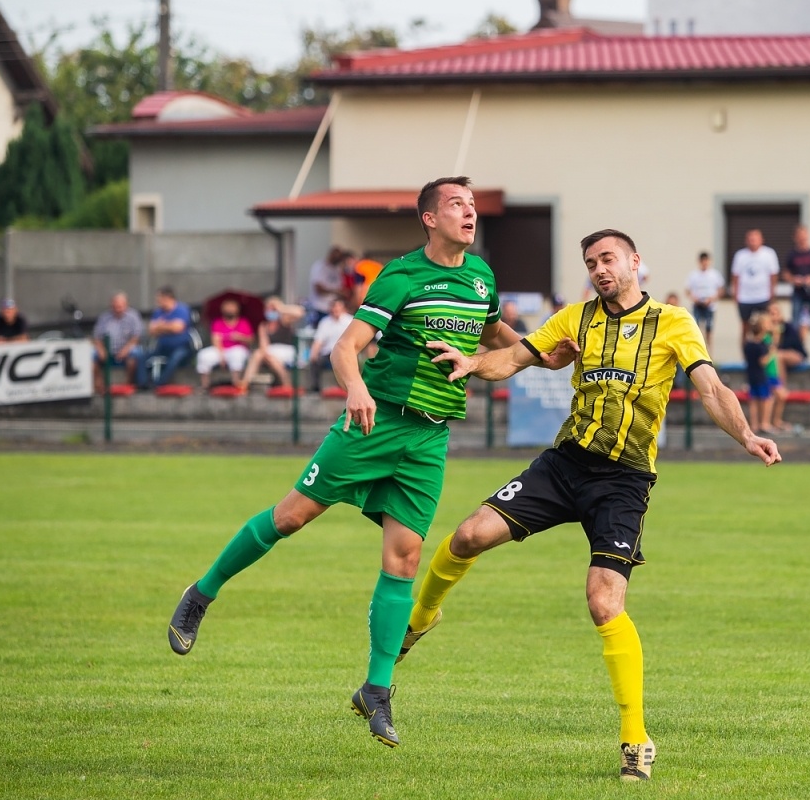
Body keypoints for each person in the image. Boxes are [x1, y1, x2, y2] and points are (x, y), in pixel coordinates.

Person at [166, 177, 574, 751]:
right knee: (290, 518)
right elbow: (344, 347)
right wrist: (355, 389)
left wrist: (541, 354)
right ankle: (202, 593)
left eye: (473, 205)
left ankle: (376, 691)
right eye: (457, 204)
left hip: (429, 438)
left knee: (405, 560)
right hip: (374, 422)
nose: (470, 212)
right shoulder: (401, 275)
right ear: (429, 218)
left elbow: (498, 335)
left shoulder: (480, 276)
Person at [404, 228, 780, 781]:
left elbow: (711, 389)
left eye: (609, 258)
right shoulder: (577, 318)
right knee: (466, 536)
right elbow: (513, 356)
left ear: (635, 262)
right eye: (591, 262)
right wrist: (471, 362)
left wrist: (746, 435)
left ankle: (636, 740)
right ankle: (421, 618)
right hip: (565, 464)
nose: (600, 269)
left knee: (604, 602)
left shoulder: (674, 322)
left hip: (624, 480)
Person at [238, 297, 303, 393]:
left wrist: (281, 308)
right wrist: (266, 353)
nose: (270, 311)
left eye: (272, 309)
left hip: (286, 350)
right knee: (260, 354)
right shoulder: (263, 325)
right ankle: (245, 383)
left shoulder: (284, 320)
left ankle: (286, 383)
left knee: (266, 355)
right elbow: (264, 345)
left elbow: (300, 313)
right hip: (270, 352)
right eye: (268, 309)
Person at [137, 287, 195, 387]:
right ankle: (143, 384)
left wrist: (160, 326)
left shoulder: (182, 309)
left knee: (174, 360)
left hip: (181, 347)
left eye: (159, 299)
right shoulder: (158, 312)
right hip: (162, 347)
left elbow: (178, 328)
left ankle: (159, 384)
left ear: (167, 298)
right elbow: (151, 330)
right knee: (141, 357)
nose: (157, 301)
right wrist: (169, 326)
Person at [742, 311, 787, 433]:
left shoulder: (749, 343)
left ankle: (755, 425)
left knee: (754, 400)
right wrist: (771, 351)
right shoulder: (762, 344)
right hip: (762, 376)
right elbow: (763, 361)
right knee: (766, 399)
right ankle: (765, 423)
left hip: (751, 375)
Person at [782, 225, 810, 347]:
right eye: (799, 236)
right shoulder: (792, 254)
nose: (802, 238)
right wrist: (794, 280)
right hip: (798, 294)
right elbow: (785, 274)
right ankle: (797, 350)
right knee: (796, 324)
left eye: (804, 236)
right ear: (795, 238)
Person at [92, 292, 144, 393]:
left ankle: (128, 384)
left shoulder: (133, 316)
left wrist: (125, 350)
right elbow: (97, 337)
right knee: (91, 355)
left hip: (126, 350)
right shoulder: (104, 318)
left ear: (126, 305)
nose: (117, 309)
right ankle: (98, 386)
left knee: (136, 353)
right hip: (107, 351)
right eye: (115, 307)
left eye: (120, 307)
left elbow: (136, 337)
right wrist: (101, 350)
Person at [197, 298, 254, 390]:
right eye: (227, 306)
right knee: (203, 355)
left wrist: (239, 337)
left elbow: (251, 340)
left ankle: (237, 384)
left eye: (232, 306)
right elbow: (215, 339)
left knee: (237, 354)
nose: (229, 309)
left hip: (238, 349)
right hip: (221, 349)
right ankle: (205, 386)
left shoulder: (244, 322)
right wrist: (221, 354)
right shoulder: (218, 322)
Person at [731, 229, 779, 324]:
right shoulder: (740, 255)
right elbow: (735, 277)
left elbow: (773, 276)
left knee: (765, 324)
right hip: (745, 297)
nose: (752, 241)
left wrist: (772, 294)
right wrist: (735, 295)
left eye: (755, 239)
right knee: (745, 324)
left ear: (761, 240)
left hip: (763, 296)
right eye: (750, 239)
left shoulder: (769, 254)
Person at [307, 297, 354, 392]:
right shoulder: (325, 322)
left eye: (337, 306)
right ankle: (315, 388)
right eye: (333, 306)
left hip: (346, 352)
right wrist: (313, 354)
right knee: (315, 361)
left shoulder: (350, 321)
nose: (335, 309)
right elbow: (318, 341)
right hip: (328, 353)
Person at [685, 251, 725, 346]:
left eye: (706, 260)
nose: (704, 263)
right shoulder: (693, 275)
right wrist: (694, 299)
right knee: (696, 329)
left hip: (710, 306)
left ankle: (709, 352)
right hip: (697, 305)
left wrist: (712, 299)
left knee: (709, 330)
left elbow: (721, 290)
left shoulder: (714, 275)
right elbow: (687, 290)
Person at [306, 246, 350, 326]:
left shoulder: (337, 269)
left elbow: (342, 287)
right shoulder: (320, 266)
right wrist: (336, 291)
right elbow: (318, 288)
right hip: (320, 308)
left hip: (334, 310)